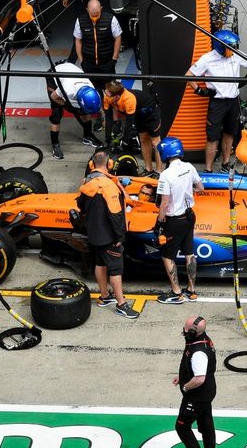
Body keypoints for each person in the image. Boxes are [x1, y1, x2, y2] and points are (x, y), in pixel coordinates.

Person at [76, 149, 139, 319]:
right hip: (108, 236)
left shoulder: (86, 181)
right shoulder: (109, 186)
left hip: (93, 233)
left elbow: (80, 205)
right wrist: (120, 236)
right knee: (116, 269)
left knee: (100, 263)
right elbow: (116, 214)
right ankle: (121, 304)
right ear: (109, 164)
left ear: (91, 164)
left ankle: (104, 296)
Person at [186, 30, 247, 173]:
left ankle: (225, 164)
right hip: (217, 102)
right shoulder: (207, 59)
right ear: (220, 46)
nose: (233, 49)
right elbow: (189, 75)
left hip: (233, 101)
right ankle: (208, 169)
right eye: (230, 46)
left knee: (229, 133)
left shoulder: (235, 55)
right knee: (212, 137)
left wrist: (246, 79)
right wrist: (199, 91)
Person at [155, 137, 205, 304]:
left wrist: (160, 222)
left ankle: (176, 293)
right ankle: (191, 290)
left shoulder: (165, 175)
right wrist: (185, 191)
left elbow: (164, 203)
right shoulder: (189, 167)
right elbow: (200, 187)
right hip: (190, 216)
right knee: (189, 253)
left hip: (174, 220)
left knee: (167, 256)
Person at [172, 315, 217, 448]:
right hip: (207, 392)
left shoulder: (198, 353)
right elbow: (197, 369)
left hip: (196, 396)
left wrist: (185, 387)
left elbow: (199, 379)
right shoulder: (203, 340)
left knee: (182, 427)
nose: (184, 331)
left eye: (186, 329)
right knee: (206, 423)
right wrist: (182, 376)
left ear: (192, 333)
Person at [103, 81, 162, 176]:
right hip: (138, 114)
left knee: (155, 142)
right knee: (143, 140)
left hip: (151, 112)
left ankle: (159, 171)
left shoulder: (129, 99)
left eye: (107, 93)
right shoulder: (107, 96)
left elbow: (129, 124)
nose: (105, 94)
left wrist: (124, 143)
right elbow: (108, 118)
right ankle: (148, 169)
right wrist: (108, 139)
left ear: (116, 97)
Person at [46, 61, 103, 159]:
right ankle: (55, 145)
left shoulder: (91, 88)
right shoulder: (68, 89)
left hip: (70, 72)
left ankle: (87, 136)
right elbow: (54, 97)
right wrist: (69, 107)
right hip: (54, 74)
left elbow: (90, 106)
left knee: (84, 111)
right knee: (57, 113)